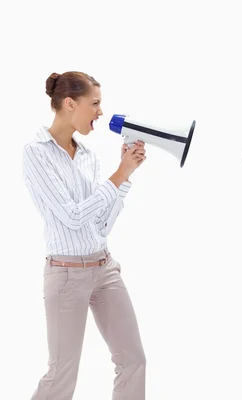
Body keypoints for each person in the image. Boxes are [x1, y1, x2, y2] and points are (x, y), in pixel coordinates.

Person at [23, 71, 147, 400]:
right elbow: (72, 217)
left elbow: (100, 225)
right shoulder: (36, 153)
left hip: (104, 268)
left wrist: (126, 177)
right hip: (66, 275)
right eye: (95, 104)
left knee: (134, 360)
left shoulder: (89, 156)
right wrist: (118, 174)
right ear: (69, 103)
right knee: (62, 374)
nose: (101, 113)